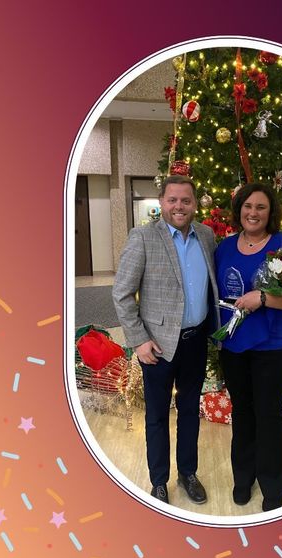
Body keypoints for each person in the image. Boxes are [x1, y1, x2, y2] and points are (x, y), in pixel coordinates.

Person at [112, 175, 219, 505]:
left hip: (195, 340)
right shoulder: (143, 237)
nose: (179, 206)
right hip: (156, 346)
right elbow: (122, 294)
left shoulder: (206, 236)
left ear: (195, 204)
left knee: (189, 411)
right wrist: (139, 340)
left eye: (186, 200)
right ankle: (159, 480)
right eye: (172, 200)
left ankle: (188, 472)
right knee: (157, 416)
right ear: (161, 202)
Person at [215, 183, 282, 512]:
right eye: (247, 206)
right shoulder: (224, 248)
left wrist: (263, 298)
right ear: (239, 210)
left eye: (260, 207)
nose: (253, 213)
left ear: (270, 212)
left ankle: (273, 482)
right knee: (242, 414)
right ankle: (243, 477)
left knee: (269, 415)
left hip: (273, 346)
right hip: (234, 345)